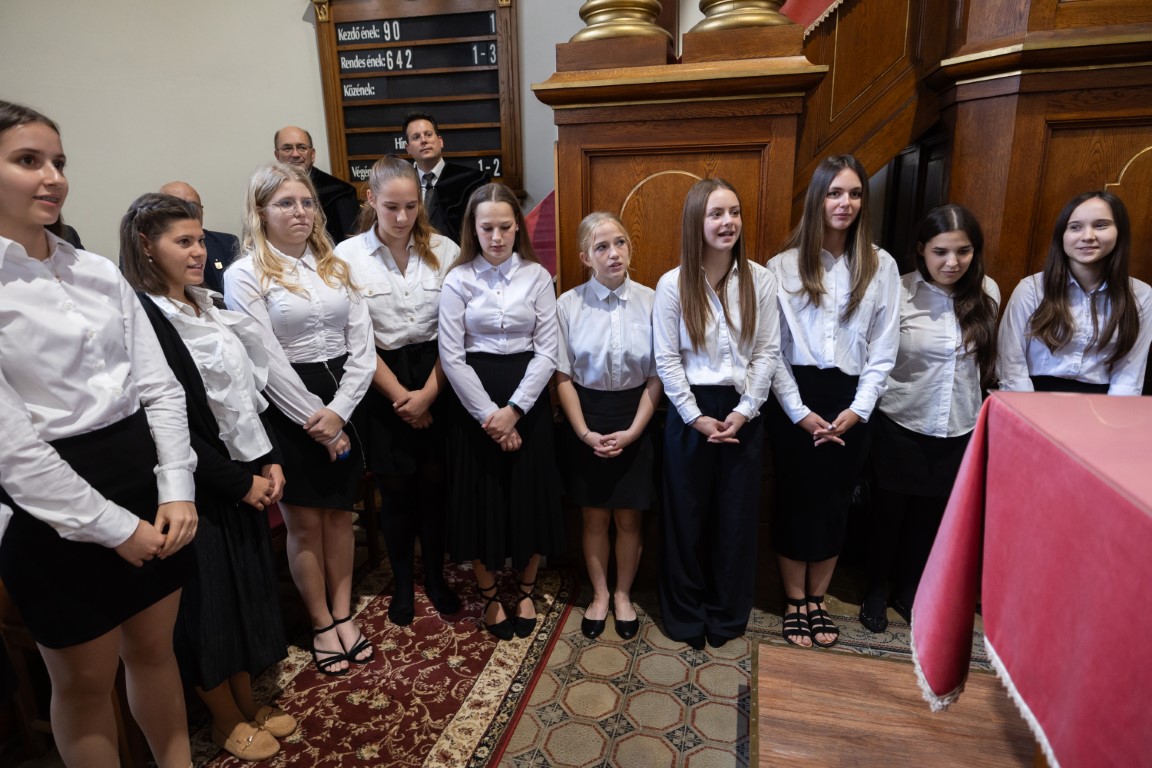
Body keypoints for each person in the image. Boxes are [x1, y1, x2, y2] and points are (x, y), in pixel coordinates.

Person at [0, 100, 197, 768]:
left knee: (155, 653)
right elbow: (13, 451)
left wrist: (177, 488)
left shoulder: (96, 271)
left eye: (58, 161)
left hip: (144, 481)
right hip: (56, 509)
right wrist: (113, 528)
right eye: (28, 160)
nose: (53, 176)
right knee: (85, 686)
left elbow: (160, 387)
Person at [121, 193, 297, 760]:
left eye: (200, 240)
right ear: (147, 247)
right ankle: (223, 716)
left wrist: (267, 458)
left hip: (240, 464)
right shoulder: (147, 317)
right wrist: (237, 483)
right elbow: (169, 421)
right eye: (183, 242)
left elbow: (244, 394)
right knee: (209, 604)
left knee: (246, 590)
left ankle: (246, 698)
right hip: (196, 481)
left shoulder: (206, 303)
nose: (199, 251)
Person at [223, 163, 375, 676]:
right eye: (286, 203)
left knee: (341, 515)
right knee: (305, 523)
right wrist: (318, 420)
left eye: (307, 202)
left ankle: (344, 611)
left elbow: (363, 347)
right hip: (288, 406)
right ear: (260, 211)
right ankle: (320, 621)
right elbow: (263, 358)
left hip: (344, 397)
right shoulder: (244, 274)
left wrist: (341, 412)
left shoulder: (335, 264)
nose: (300, 212)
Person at [766, 154, 900, 649]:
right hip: (794, 397)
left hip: (852, 399)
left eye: (855, 193)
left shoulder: (881, 264)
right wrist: (798, 412)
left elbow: (884, 348)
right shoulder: (782, 265)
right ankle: (793, 600)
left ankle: (817, 599)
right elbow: (771, 349)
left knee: (834, 501)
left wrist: (859, 409)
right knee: (794, 498)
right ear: (817, 199)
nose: (845, 203)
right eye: (835, 193)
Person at [859, 204, 1000, 633]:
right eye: (941, 251)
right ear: (921, 249)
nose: (952, 262)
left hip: (959, 425)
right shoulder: (900, 292)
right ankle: (874, 591)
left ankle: (909, 590)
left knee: (932, 518)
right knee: (887, 515)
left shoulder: (988, 292)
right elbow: (876, 357)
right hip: (901, 420)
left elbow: (987, 365)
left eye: (963, 251)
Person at [335, 156, 463, 626]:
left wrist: (427, 394)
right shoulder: (347, 256)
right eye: (392, 207)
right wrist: (401, 398)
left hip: (438, 374)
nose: (403, 216)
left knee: (434, 484)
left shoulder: (445, 250)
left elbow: (457, 333)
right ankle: (403, 584)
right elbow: (356, 340)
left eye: (412, 206)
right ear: (371, 199)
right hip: (380, 377)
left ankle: (436, 577)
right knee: (395, 490)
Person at [653, 179, 779, 651]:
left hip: (744, 410)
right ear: (696, 222)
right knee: (685, 518)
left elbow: (767, 352)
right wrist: (694, 416)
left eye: (734, 212)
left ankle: (727, 612)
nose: (729, 222)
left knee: (736, 518)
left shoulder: (760, 280)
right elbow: (667, 360)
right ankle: (685, 613)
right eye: (716, 214)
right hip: (689, 412)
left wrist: (745, 410)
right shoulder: (673, 283)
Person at [437, 182, 563, 641]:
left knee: (530, 494)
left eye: (505, 227)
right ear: (473, 228)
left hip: (526, 396)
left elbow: (547, 351)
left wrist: (514, 410)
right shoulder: (458, 279)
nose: (496, 237)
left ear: (517, 228)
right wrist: (490, 416)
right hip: (474, 400)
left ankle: (525, 590)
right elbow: (452, 356)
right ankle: (490, 595)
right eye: (487, 228)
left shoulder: (537, 276)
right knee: (480, 497)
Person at [555, 212, 662, 642]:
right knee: (595, 517)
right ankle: (599, 594)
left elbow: (657, 375)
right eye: (602, 247)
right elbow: (562, 376)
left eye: (620, 243)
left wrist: (634, 431)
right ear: (586, 257)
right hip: (587, 417)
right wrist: (584, 432)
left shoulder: (653, 301)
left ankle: (622, 595)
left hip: (637, 415)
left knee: (630, 518)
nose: (614, 253)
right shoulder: (568, 305)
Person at [997, 190, 1151, 395]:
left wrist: (1112, 414)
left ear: (1119, 232)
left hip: (1102, 401)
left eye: (1101, 225)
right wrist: (1025, 410)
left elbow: (1130, 374)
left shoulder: (1141, 295)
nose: (1088, 237)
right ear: (1062, 235)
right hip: (1033, 395)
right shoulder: (1032, 288)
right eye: (1075, 227)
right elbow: (1011, 364)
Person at [403, 113, 489, 244]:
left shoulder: (471, 181)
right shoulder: (403, 184)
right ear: (408, 148)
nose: (423, 140)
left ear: (440, 141)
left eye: (428, 134)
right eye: (416, 137)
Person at [274, 126, 359, 243]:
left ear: (312, 154)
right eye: (287, 148)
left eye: (302, 148)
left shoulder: (340, 192)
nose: (295, 154)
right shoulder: (268, 193)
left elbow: (352, 242)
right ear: (277, 156)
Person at [158, 180, 240, 294]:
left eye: (193, 207)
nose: (187, 212)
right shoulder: (153, 251)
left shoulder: (226, 243)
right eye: (178, 207)